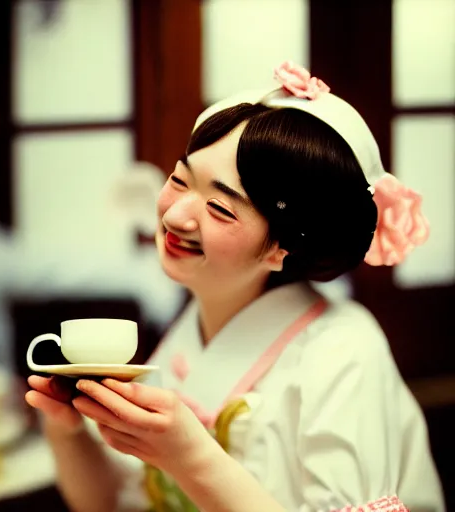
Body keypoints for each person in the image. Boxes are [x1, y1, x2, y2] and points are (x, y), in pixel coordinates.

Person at [26, 61, 445, 512]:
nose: (174, 216)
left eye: (221, 209)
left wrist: (190, 458)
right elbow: (109, 504)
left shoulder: (345, 348)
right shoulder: (190, 330)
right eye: (180, 180)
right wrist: (66, 429)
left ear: (282, 247)